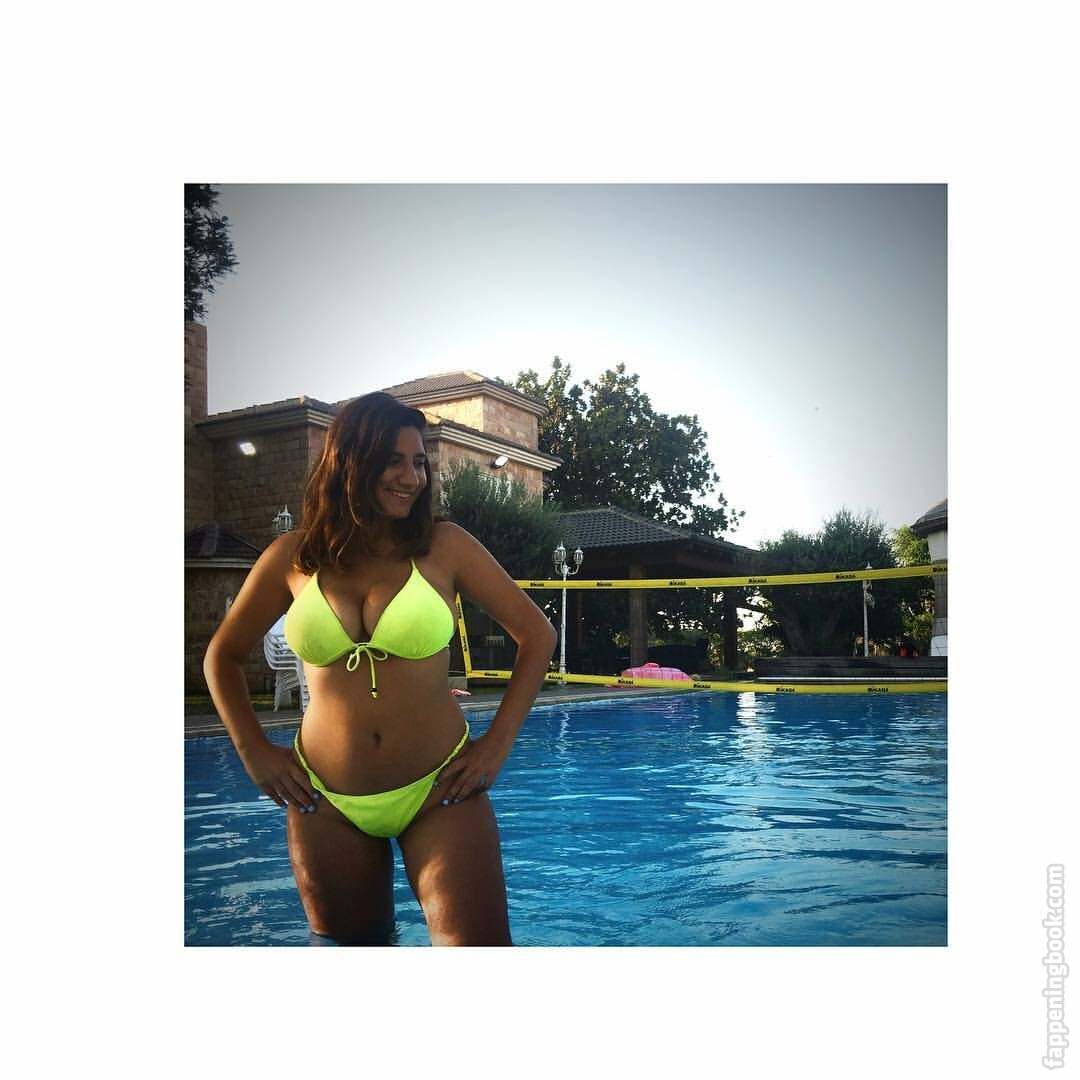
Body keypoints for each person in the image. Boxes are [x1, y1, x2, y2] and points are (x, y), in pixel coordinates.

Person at [204, 392, 556, 945]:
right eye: (394, 461)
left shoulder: (445, 546)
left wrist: (495, 747)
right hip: (324, 799)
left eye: (419, 462)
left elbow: (537, 635)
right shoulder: (291, 558)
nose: (411, 478)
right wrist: (254, 752)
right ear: (350, 461)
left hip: (440, 792)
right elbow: (221, 656)